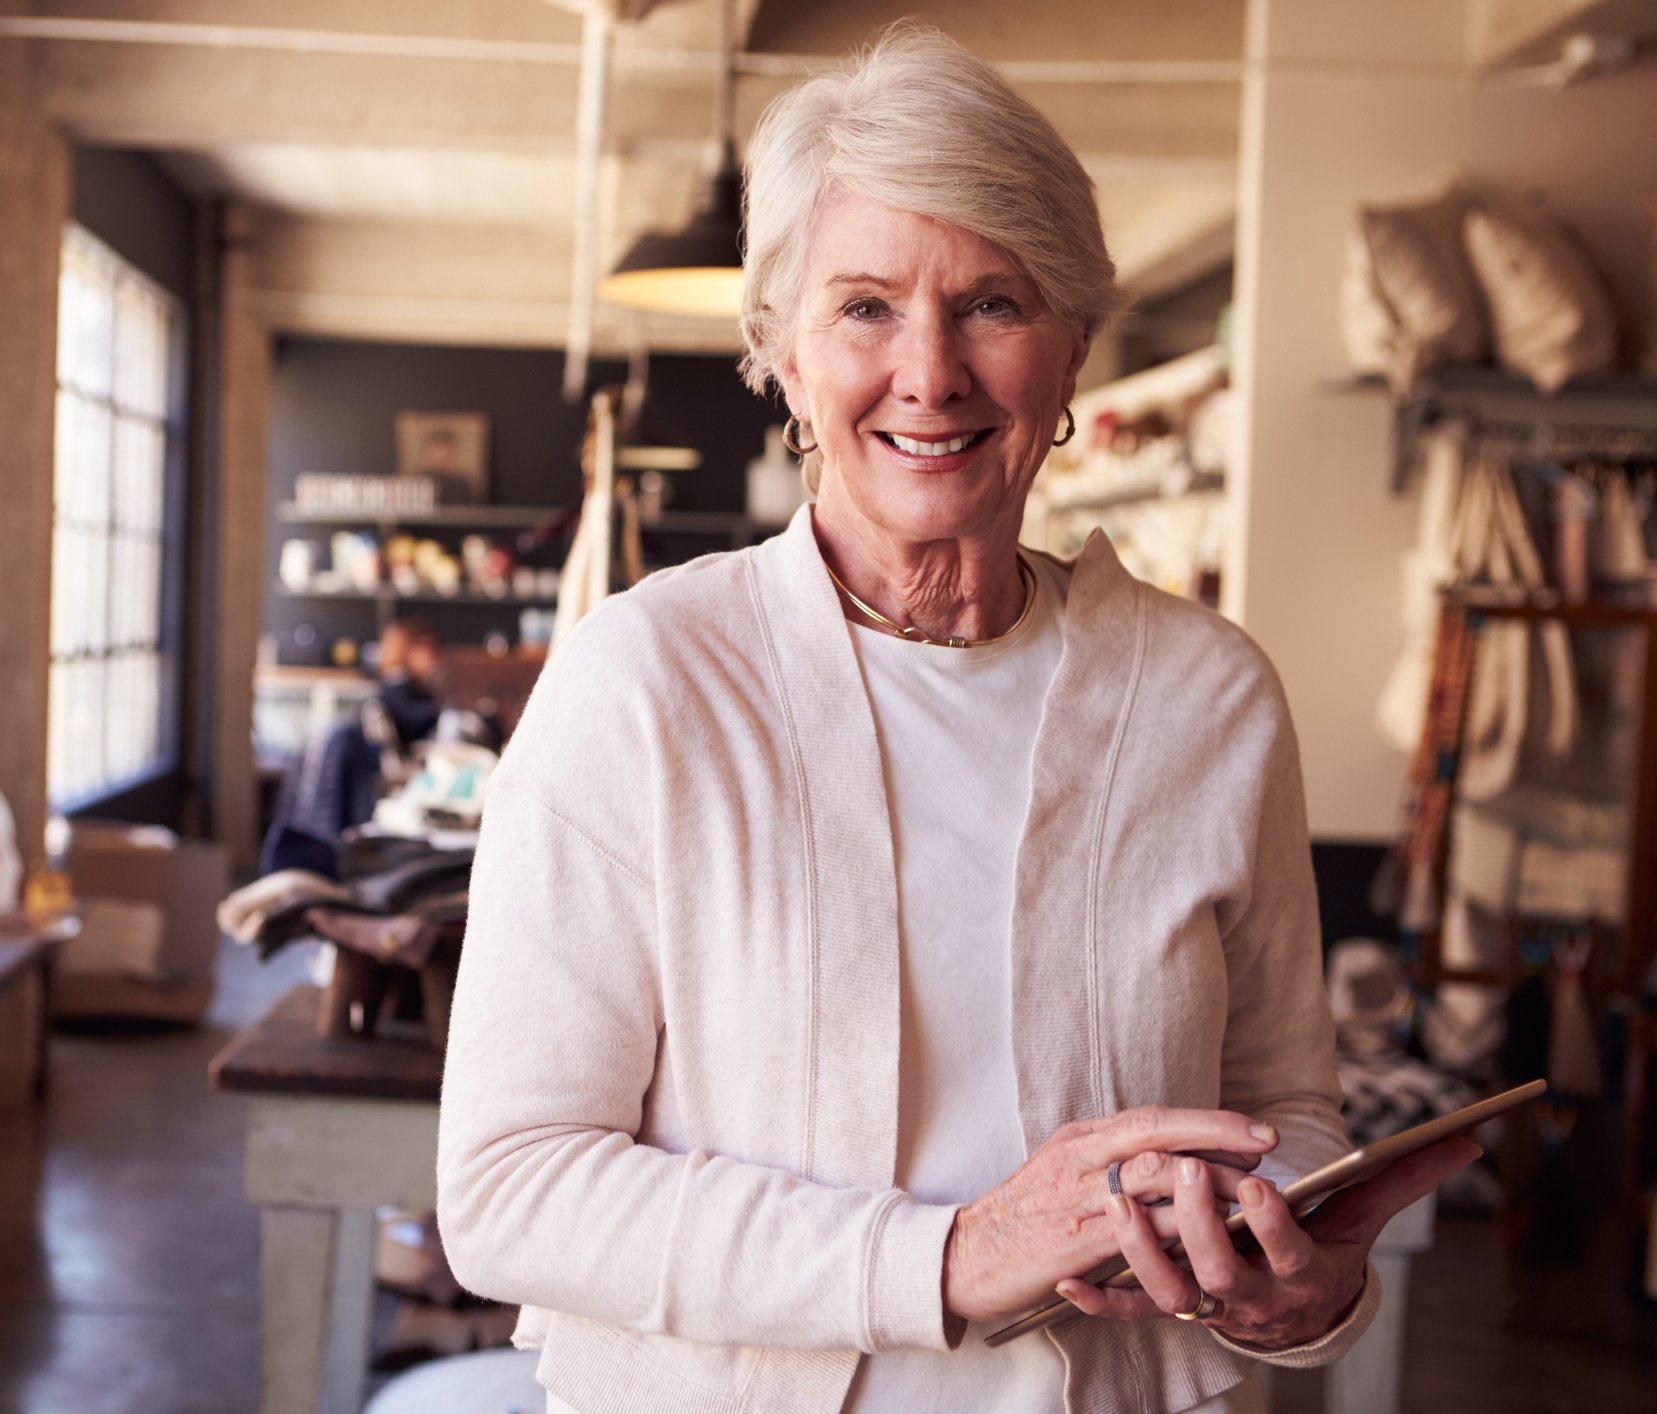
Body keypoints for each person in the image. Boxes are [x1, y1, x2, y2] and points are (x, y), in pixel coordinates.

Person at [436, 26, 1476, 1414]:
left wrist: (1306, 1283)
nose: (928, 373)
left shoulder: (1207, 696)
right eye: (862, 307)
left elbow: (1280, 1114)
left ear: (1069, 353)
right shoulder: (643, 684)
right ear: (784, 359)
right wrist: (950, 1254)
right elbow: (510, 1191)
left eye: (989, 303)